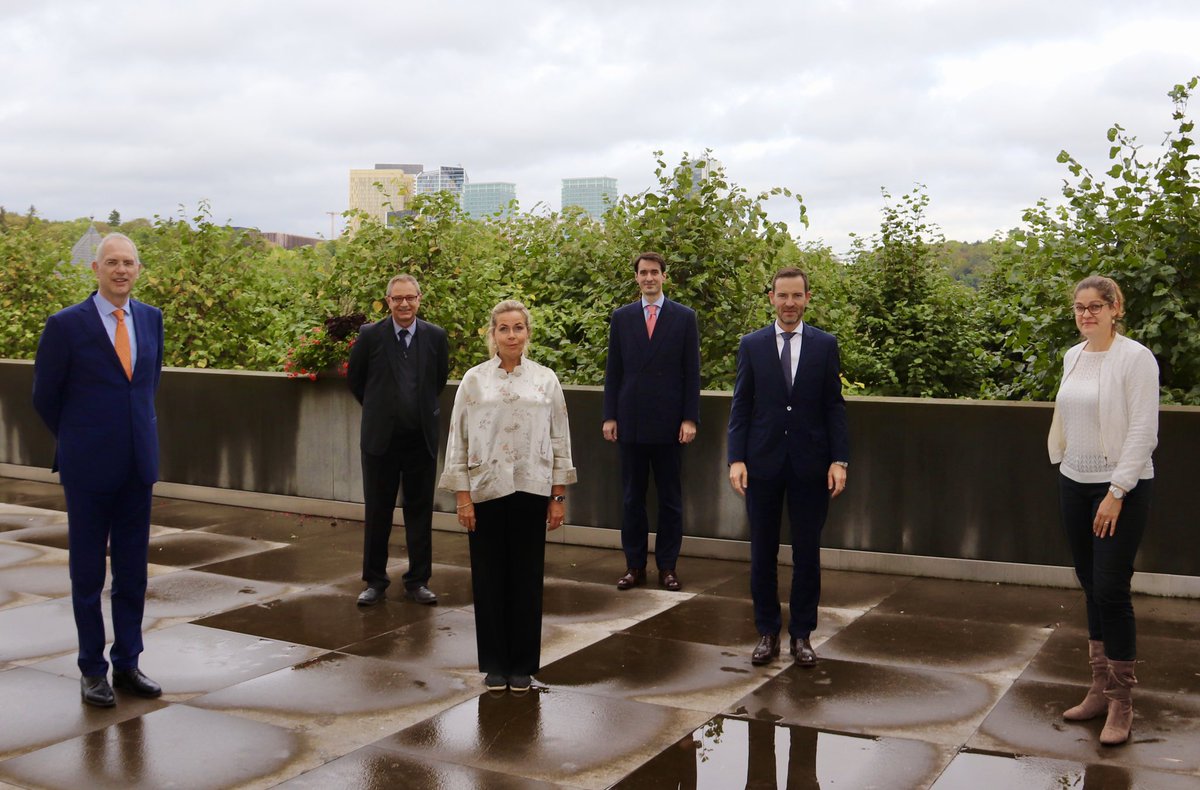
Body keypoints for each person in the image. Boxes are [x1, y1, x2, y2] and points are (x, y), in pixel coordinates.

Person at [32, 233, 165, 707]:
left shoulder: (151, 319)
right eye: (112, 262)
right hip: (88, 469)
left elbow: (148, 384)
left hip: (137, 467)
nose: (121, 270)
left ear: (137, 269)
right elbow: (45, 396)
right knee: (87, 576)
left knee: (132, 574)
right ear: (96, 269)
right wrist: (79, 440)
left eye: (129, 262)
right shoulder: (66, 325)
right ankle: (93, 669)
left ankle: (128, 662)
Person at [440, 300, 577, 693]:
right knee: (488, 578)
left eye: (518, 328)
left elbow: (560, 439)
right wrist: (462, 497)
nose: (512, 335)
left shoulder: (545, 380)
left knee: (527, 578)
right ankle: (495, 664)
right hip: (485, 490)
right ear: (493, 334)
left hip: (533, 489)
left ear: (527, 333)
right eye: (504, 328)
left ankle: (522, 665)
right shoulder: (474, 380)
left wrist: (558, 496)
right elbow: (458, 440)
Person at [1048, 275, 1158, 747]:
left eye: (1096, 306)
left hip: (1119, 488)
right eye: (1079, 307)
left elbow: (1143, 431)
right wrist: (1064, 462)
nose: (1086, 314)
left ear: (1116, 309)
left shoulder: (1135, 358)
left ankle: (1121, 701)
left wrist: (1117, 490)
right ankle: (1098, 686)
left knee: (1112, 588)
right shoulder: (1074, 356)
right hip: (1073, 481)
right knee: (1091, 584)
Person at [727, 267, 848, 668]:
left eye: (797, 296)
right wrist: (736, 458)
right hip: (761, 464)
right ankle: (766, 632)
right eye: (783, 296)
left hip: (811, 466)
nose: (790, 303)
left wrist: (839, 459)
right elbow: (741, 405)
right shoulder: (752, 344)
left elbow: (834, 406)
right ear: (771, 298)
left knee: (807, 553)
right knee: (762, 552)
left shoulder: (825, 345)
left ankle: (802, 635)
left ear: (808, 298)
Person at [348, 274, 449, 607]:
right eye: (397, 299)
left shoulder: (435, 336)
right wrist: (383, 412)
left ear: (420, 298)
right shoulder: (370, 336)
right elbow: (356, 381)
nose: (404, 304)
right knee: (378, 513)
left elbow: (437, 380)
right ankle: (374, 581)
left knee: (420, 514)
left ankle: (418, 581)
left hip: (420, 441)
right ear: (387, 301)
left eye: (410, 298)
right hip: (381, 442)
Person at [602, 252, 700, 592]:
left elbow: (692, 373)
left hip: (671, 424)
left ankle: (668, 567)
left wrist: (690, 418)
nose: (649, 278)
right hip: (630, 422)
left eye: (654, 272)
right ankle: (634, 566)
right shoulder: (622, 317)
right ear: (636, 278)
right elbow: (613, 370)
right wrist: (609, 415)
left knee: (671, 499)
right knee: (632, 498)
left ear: (663, 276)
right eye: (643, 273)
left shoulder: (684, 317)